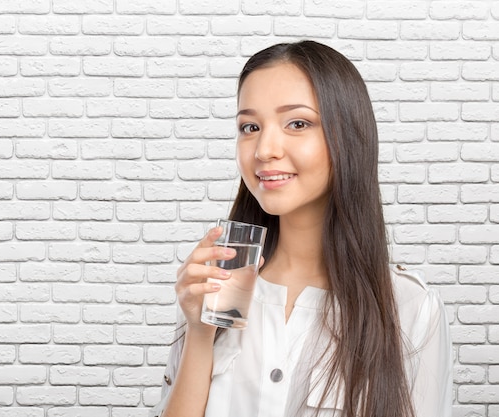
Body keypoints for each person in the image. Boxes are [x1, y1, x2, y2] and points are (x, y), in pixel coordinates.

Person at [150, 40, 452, 417]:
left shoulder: (409, 309)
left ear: (348, 136)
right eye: (250, 126)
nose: (264, 149)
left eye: (297, 123)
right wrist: (199, 331)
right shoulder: (216, 286)